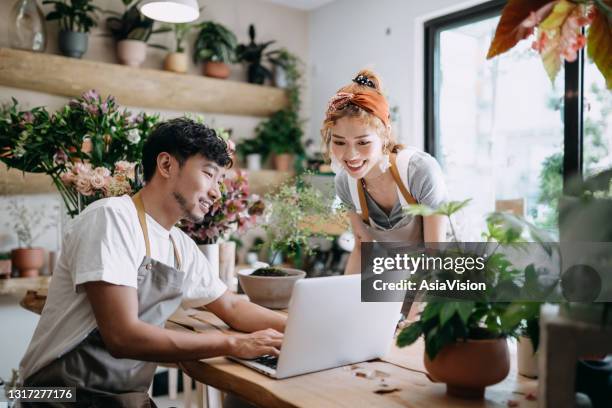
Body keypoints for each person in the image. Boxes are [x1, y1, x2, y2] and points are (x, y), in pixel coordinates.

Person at [19, 118, 286, 407]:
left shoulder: (179, 245)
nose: (216, 192)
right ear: (166, 165)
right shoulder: (111, 218)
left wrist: (300, 327)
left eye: (219, 180)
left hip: (123, 399)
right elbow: (123, 337)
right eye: (209, 174)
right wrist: (234, 344)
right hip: (53, 395)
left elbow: (232, 307)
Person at [321, 70, 447, 275]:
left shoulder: (419, 171)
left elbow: (435, 255)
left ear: (385, 134)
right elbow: (362, 246)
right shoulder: (346, 183)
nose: (350, 155)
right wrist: (347, 297)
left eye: (363, 142)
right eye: (339, 142)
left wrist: (412, 307)